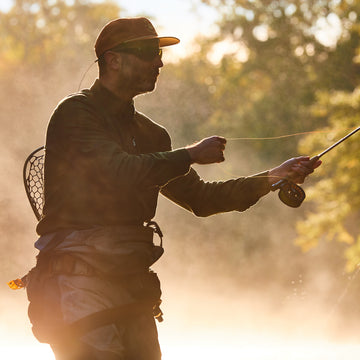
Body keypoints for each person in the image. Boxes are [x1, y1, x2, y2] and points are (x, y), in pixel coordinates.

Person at [25, 17, 321, 360]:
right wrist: (190, 155)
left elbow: (202, 199)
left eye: (159, 53)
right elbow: (115, 171)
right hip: (75, 285)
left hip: (131, 285)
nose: (159, 62)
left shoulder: (152, 134)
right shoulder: (75, 113)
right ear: (114, 59)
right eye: (148, 52)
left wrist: (272, 177)